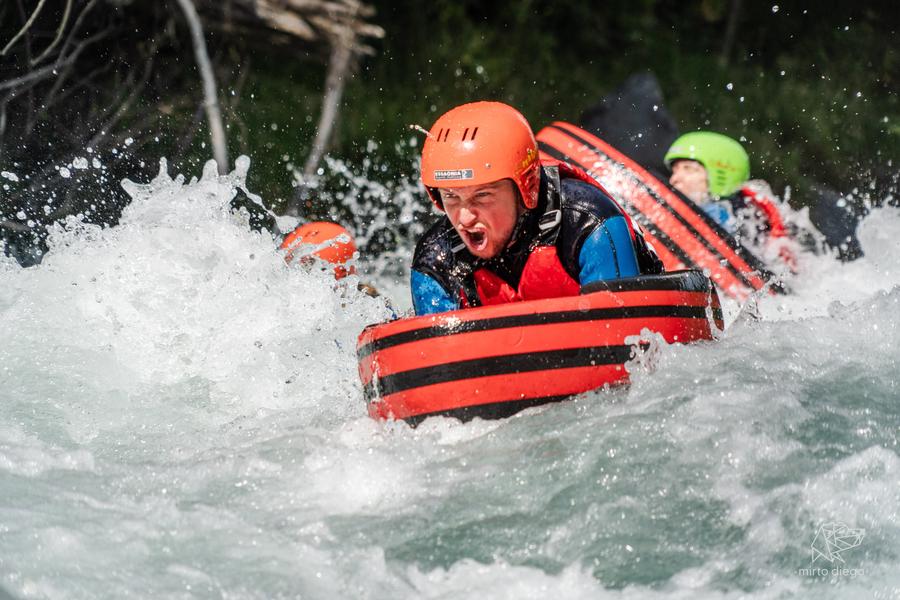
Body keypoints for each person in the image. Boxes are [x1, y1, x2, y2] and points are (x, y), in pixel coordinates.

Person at [410, 101, 663, 316]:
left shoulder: (588, 222)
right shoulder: (435, 258)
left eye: (483, 195)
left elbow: (627, 337)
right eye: (451, 197)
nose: (464, 217)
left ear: (525, 188)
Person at [664, 131, 797, 269]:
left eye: (688, 169)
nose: (674, 179)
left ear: (720, 175)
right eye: (675, 170)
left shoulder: (728, 215)